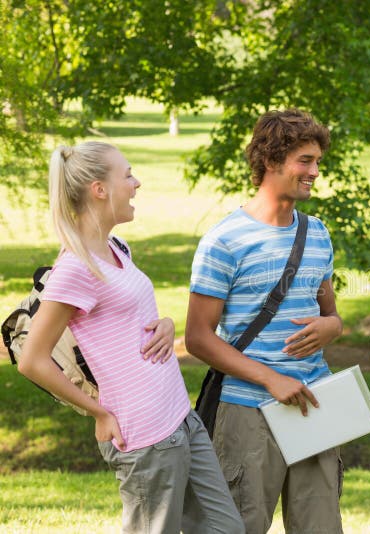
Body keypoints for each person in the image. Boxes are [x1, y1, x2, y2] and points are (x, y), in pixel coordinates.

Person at [19, 141, 244, 534]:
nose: (136, 183)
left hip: (179, 417)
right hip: (143, 436)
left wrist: (167, 323)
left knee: (226, 528)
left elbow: (130, 318)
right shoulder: (75, 267)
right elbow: (32, 360)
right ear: (99, 189)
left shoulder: (116, 247)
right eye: (127, 175)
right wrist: (99, 413)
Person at [185, 109, 344, 534]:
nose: (314, 172)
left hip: (314, 402)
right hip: (247, 409)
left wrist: (333, 327)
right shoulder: (224, 241)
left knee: (321, 527)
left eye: (317, 162)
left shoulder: (318, 233)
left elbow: (329, 312)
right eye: (305, 161)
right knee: (242, 525)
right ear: (272, 161)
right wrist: (271, 379)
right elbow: (198, 337)